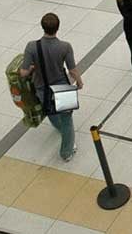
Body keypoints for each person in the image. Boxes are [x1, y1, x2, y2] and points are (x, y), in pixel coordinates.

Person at [19, 13, 83, 162]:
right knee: (67, 120)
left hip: (42, 88)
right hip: (62, 88)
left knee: (50, 110)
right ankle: (66, 152)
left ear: (42, 27)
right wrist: (79, 81)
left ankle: (57, 126)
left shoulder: (31, 46)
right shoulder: (65, 46)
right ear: (58, 27)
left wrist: (32, 69)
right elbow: (72, 69)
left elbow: (23, 72)